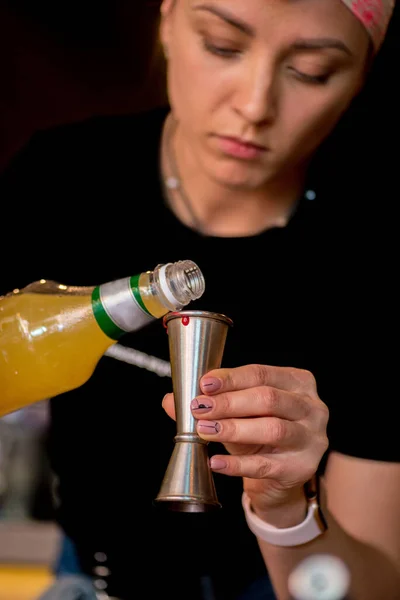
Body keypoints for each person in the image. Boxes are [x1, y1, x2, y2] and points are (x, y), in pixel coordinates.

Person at [1, 0, 399, 599]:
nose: (254, 106)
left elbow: (369, 588)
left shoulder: (375, 266)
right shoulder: (61, 178)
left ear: (359, 78)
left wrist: (286, 506)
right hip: (90, 575)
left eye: (311, 70)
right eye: (222, 45)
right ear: (166, 21)